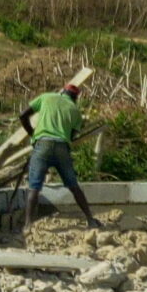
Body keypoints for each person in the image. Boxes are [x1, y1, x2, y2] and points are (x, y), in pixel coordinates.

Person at [20, 81, 100, 228]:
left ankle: (28, 225)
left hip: (43, 144)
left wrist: (32, 134)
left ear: (62, 91)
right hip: (62, 147)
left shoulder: (46, 97)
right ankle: (90, 220)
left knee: (34, 187)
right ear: (75, 98)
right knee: (73, 186)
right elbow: (71, 136)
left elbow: (23, 115)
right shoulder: (75, 111)